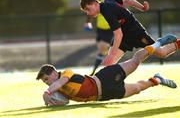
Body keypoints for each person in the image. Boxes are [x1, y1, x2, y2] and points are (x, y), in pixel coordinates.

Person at [36, 36, 177, 106]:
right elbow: (64, 101)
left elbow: (60, 83)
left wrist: (47, 92)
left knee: (135, 61)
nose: (46, 83)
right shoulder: (57, 89)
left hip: (104, 78)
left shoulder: (65, 74)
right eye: (44, 82)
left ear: (54, 73)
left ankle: (158, 43)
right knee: (138, 88)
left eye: (46, 79)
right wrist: (51, 102)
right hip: (104, 95)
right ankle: (158, 79)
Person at [80, 0, 180, 66]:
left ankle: (165, 42)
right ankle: (113, 89)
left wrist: (111, 54)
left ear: (95, 3)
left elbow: (118, 34)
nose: (88, 13)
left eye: (88, 9)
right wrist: (142, 7)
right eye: (86, 11)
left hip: (136, 32)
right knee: (109, 65)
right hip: (124, 36)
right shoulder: (107, 1)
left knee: (162, 53)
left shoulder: (107, 11)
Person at [84, 0, 150, 75]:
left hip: (113, 29)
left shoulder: (110, 2)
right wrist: (88, 22)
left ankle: (102, 67)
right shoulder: (94, 2)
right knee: (103, 51)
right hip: (101, 28)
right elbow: (89, 10)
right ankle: (102, 70)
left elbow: (126, 0)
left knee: (106, 49)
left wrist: (142, 7)